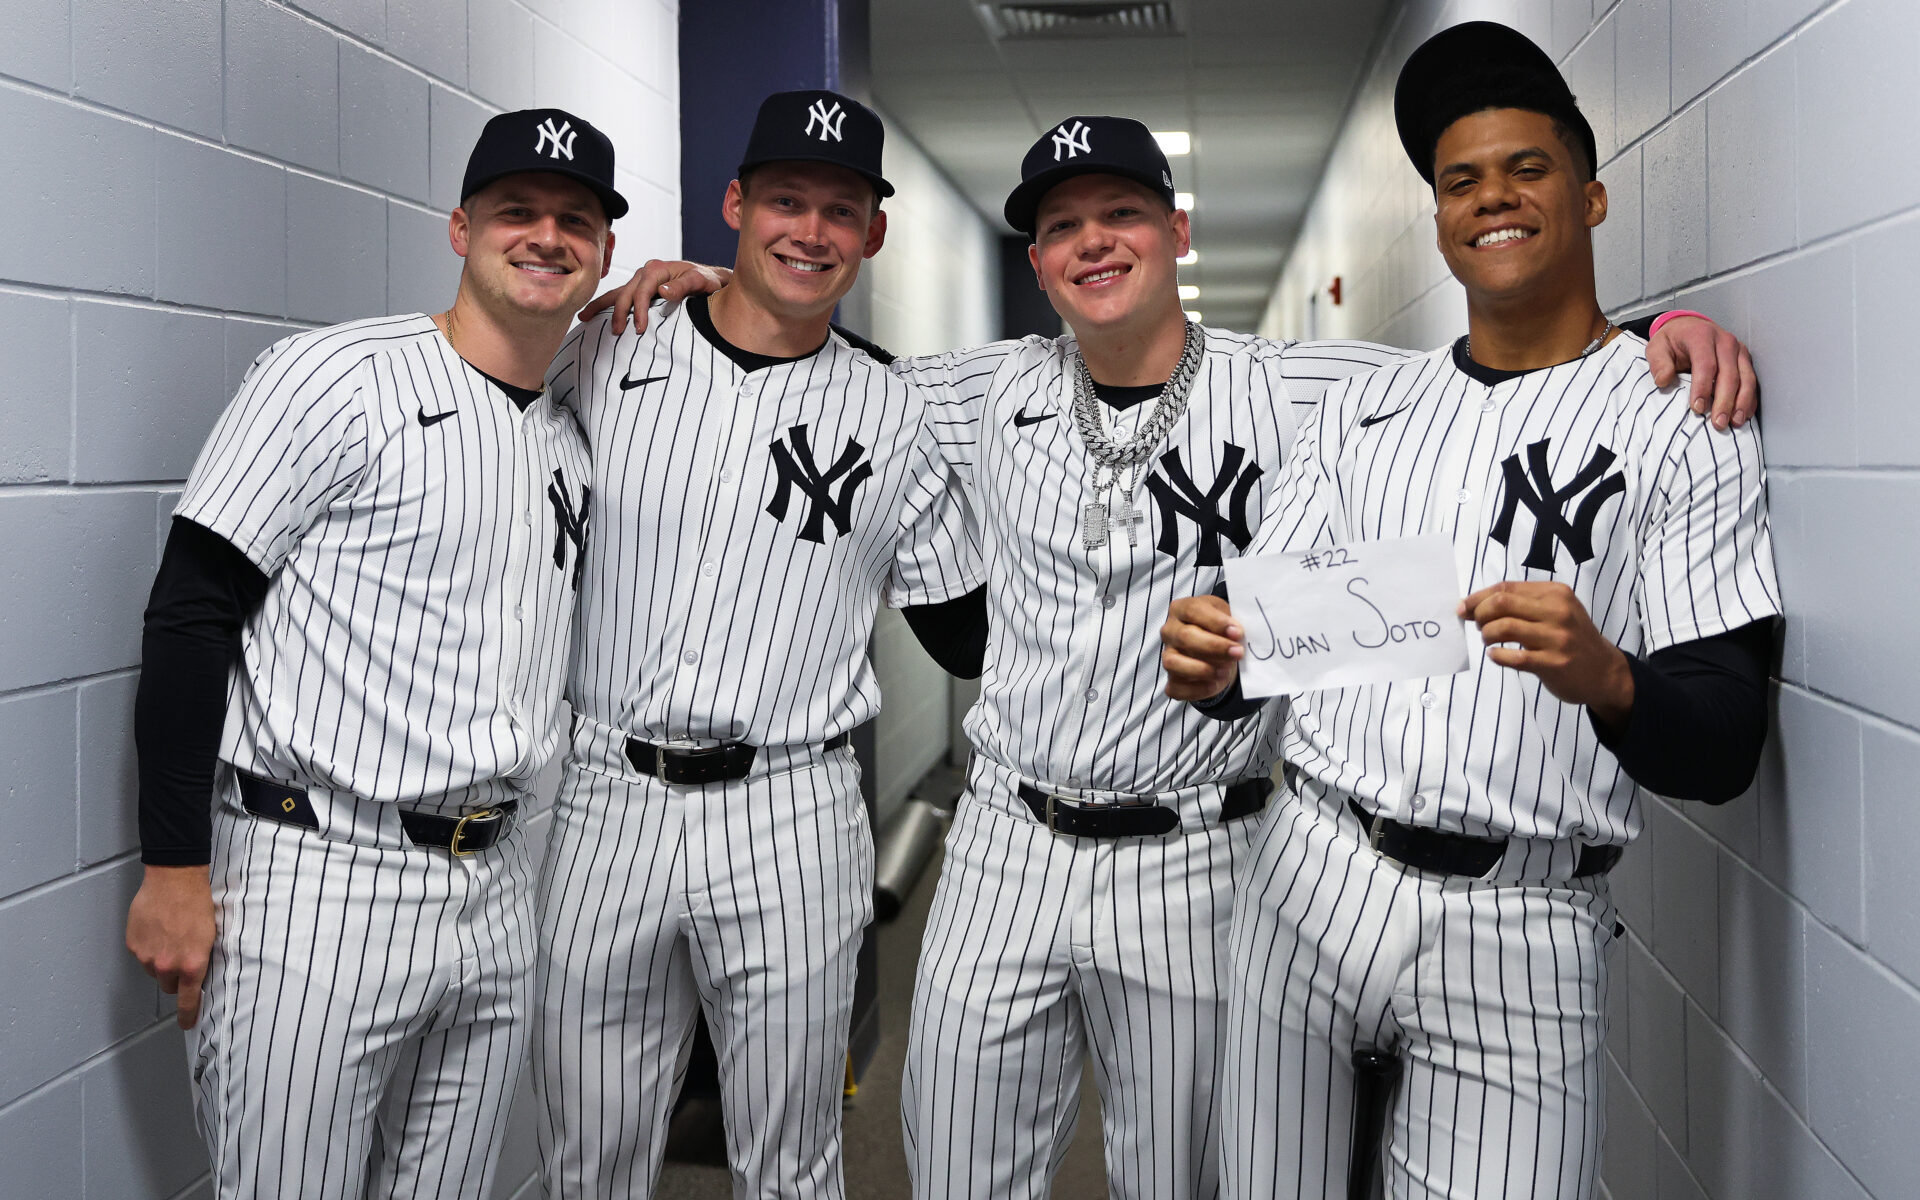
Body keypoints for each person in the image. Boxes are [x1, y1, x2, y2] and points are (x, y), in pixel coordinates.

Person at [589, 107, 1754, 1197]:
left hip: (1202, 848)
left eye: (1122, 215)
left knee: (1183, 1175)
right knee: (951, 1160)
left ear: (1176, 231)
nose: (1093, 244)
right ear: (1038, 264)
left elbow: (1501, 368)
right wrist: (702, 286)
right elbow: (810, 358)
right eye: (1061, 229)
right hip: (1001, 838)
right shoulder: (976, 390)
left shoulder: (1309, 386)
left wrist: (1655, 333)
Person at [1160, 22, 1780, 1199]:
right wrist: (1209, 657)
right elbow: (1261, 646)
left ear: (1593, 198)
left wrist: (1613, 678)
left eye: (1527, 168)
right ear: (1440, 219)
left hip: (1526, 915)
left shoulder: (1679, 412)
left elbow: (1726, 737)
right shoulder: (1367, 410)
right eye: (1461, 181)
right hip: (1312, 871)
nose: (1492, 196)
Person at [123, 109, 621, 1199]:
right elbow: (190, 612)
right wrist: (173, 867)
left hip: (495, 886)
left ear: (605, 252)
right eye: (516, 212)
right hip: (318, 874)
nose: (545, 235)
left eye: (574, 220)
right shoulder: (334, 376)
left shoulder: (570, 434)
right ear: (460, 228)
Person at [530, 89, 983, 1200]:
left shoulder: (898, 411)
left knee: (790, 1151)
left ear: (872, 235)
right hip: (605, 793)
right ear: (734, 204)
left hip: (789, 806)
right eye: (786, 199)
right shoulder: (604, 350)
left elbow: (970, 632)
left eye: (841, 210)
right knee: (591, 1149)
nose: (811, 232)